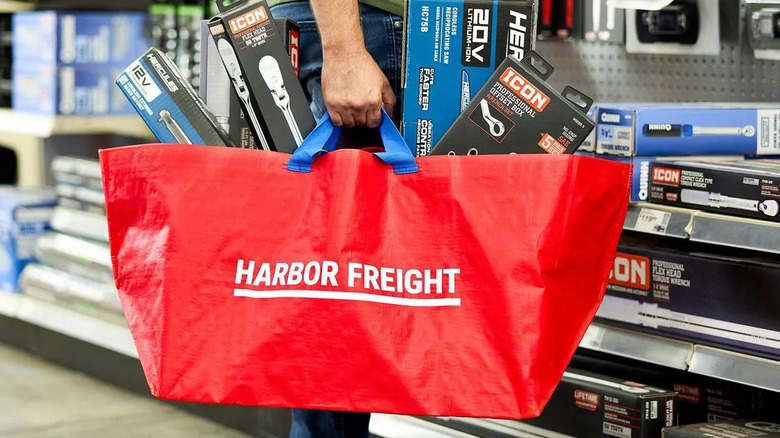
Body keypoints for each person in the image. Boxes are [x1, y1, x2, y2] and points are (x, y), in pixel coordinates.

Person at [268, 1, 404, 437]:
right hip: (366, 28)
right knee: (334, 315)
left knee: (344, 296)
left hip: (389, 30)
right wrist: (344, 49)